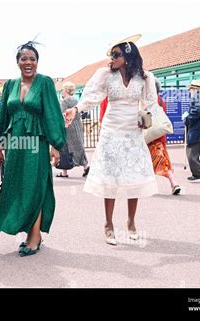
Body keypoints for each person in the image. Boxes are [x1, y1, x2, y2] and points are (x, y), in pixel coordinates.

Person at [65, 34, 158, 246]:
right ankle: (108, 224)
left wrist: (146, 119)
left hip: (133, 132)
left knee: (134, 176)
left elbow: (151, 102)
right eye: (111, 55)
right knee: (111, 178)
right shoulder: (105, 74)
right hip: (111, 131)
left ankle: (131, 222)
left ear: (127, 54)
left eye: (116, 54)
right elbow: (92, 97)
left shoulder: (144, 77)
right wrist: (76, 109)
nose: (112, 58)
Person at [0, 41, 66, 256]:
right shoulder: (9, 85)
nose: (28, 62)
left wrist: (56, 145)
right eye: (24, 59)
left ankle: (34, 237)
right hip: (15, 145)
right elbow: (2, 116)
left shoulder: (45, 83)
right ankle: (31, 232)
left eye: (32, 59)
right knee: (18, 187)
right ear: (17, 62)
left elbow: (53, 113)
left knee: (35, 186)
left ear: (37, 62)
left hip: (36, 143)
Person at [147, 81, 181, 195]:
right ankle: (173, 182)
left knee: (148, 162)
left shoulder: (147, 101)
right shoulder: (161, 101)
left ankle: (171, 183)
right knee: (163, 161)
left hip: (149, 137)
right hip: (160, 137)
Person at [57, 81, 89, 178]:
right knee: (79, 147)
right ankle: (86, 166)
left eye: (63, 89)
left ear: (66, 90)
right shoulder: (76, 100)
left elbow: (61, 114)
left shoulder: (65, 101)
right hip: (77, 126)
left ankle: (64, 172)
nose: (62, 92)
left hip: (68, 127)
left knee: (65, 148)